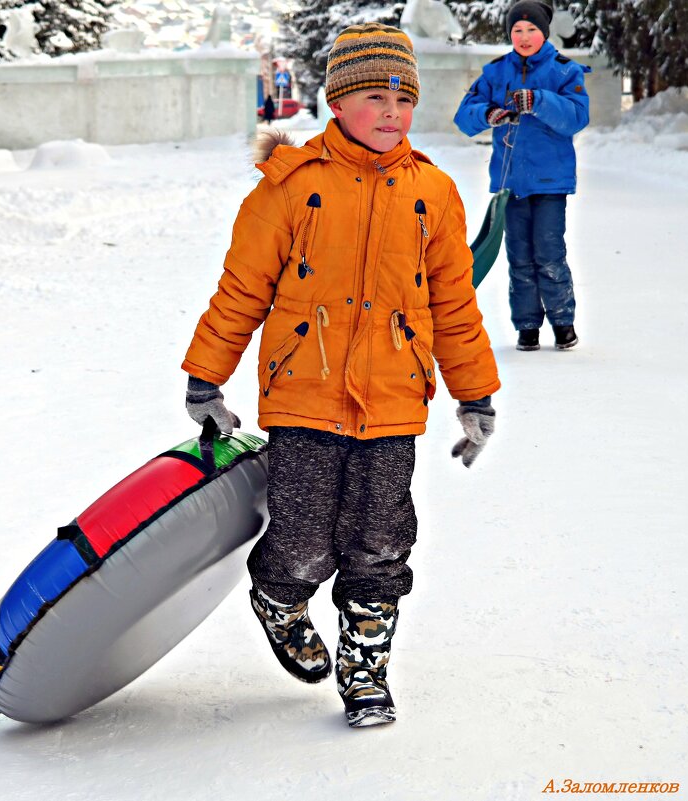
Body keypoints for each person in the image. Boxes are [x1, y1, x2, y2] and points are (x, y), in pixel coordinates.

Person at [182, 22, 500, 728]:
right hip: (303, 394)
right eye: (372, 96)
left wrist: (474, 393)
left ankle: (364, 672)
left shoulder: (433, 192)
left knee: (382, 542)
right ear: (335, 101)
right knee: (299, 542)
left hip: (391, 400)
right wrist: (206, 379)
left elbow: (453, 304)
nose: (390, 111)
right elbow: (241, 289)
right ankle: (279, 598)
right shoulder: (292, 185)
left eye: (401, 98)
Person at [453, 0, 589, 351]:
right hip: (510, 182)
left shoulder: (564, 72)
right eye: (517, 30)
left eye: (532, 30)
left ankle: (563, 322)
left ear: (544, 33)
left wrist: (539, 101)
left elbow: (576, 117)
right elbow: (464, 116)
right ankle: (527, 326)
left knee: (548, 252)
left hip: (550, 182)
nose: (524, 37)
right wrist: (488, 113)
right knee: (519, 256)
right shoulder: (495, 73)